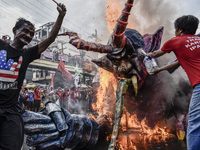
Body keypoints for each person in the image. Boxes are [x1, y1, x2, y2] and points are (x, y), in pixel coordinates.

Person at [0, 3, 66, 150]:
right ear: (14, 30)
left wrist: (60, 17)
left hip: (11, 112)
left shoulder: (27, 54)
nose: (29, 36)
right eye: (25, 31)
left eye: (32, 34)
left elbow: (50, 39)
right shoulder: (1, 46)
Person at [147, 15, 200, 150]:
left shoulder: (175, 41)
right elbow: (178, 61)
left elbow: (154, 54)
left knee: (194, 124)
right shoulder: (198, 39)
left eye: (175, 29)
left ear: (180, 30)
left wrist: (144, 55)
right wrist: (159, 69)